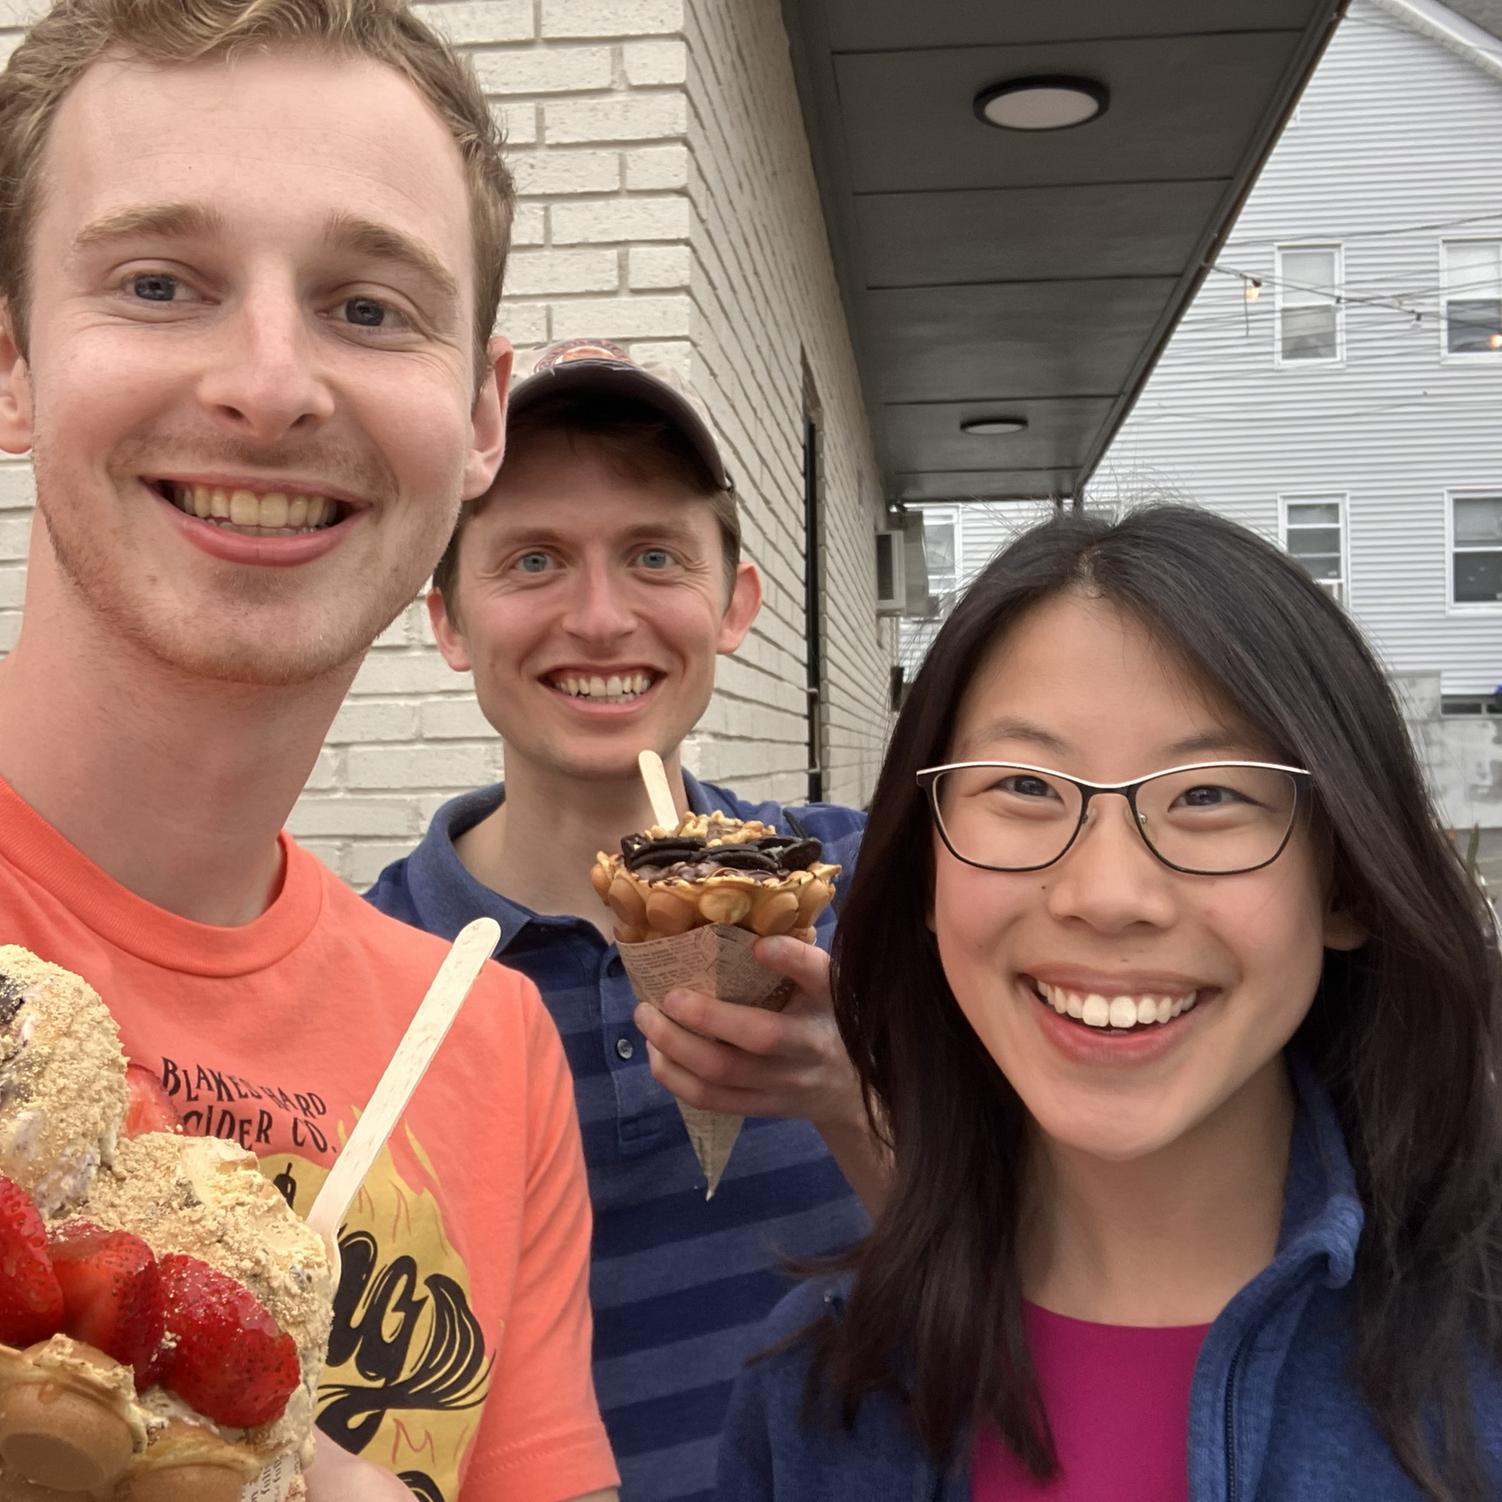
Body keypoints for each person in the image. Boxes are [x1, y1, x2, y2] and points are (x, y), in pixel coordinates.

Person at [0, 3, 618, 1499]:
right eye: (159, 283)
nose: (270, 383)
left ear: (479, 417)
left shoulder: (485, 1043)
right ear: (10, 362)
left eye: (369, 307)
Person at [718, 506, 1502, 1501]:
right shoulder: (816, 1396)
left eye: (1210, 793)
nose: (1105, 893)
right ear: (924, 867)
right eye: (1021, 785)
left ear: (1341, 880)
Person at [368, 339, 886, 1501]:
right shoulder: (372, 974)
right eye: (534, 559)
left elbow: (1039, 1282)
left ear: (733, 603)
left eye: (654, 555)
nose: (599, 618)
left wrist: (846, 1092)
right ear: (449, 621)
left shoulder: (873, 887)